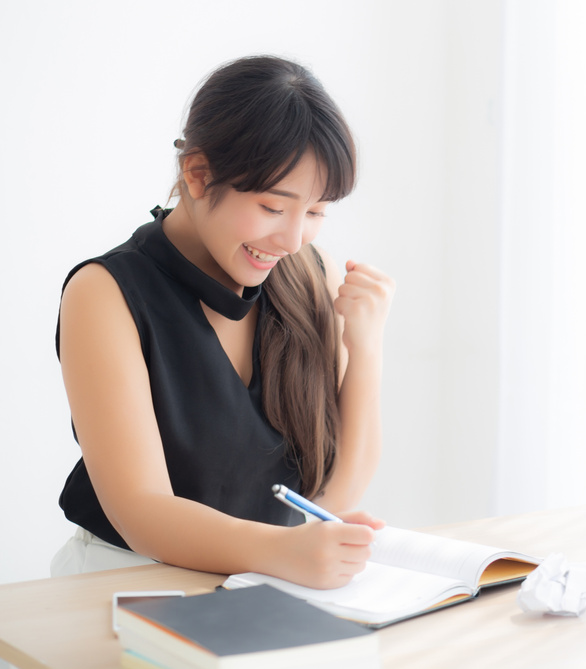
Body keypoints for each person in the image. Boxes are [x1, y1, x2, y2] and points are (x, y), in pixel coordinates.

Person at [51, 55, 394, 590]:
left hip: (267, 580)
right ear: (198, 173)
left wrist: (367, 346)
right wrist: (283, 550)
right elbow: (140, 511)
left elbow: (335, 493)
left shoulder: (313, 274)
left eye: (317, 211)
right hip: (124, 579)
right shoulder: (105, 293)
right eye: (271, 207)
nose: (293, 238)